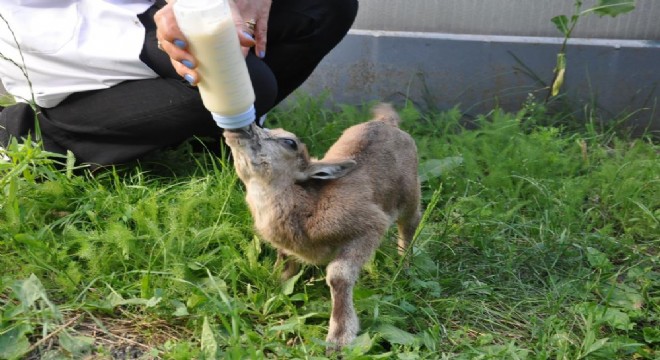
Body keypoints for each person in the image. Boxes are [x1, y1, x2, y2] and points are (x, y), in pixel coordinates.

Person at [0, 0, 358, 168]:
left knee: (325, 7)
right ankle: (37, 133)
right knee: (243, 87)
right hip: (58, 20)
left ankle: (215, 137)